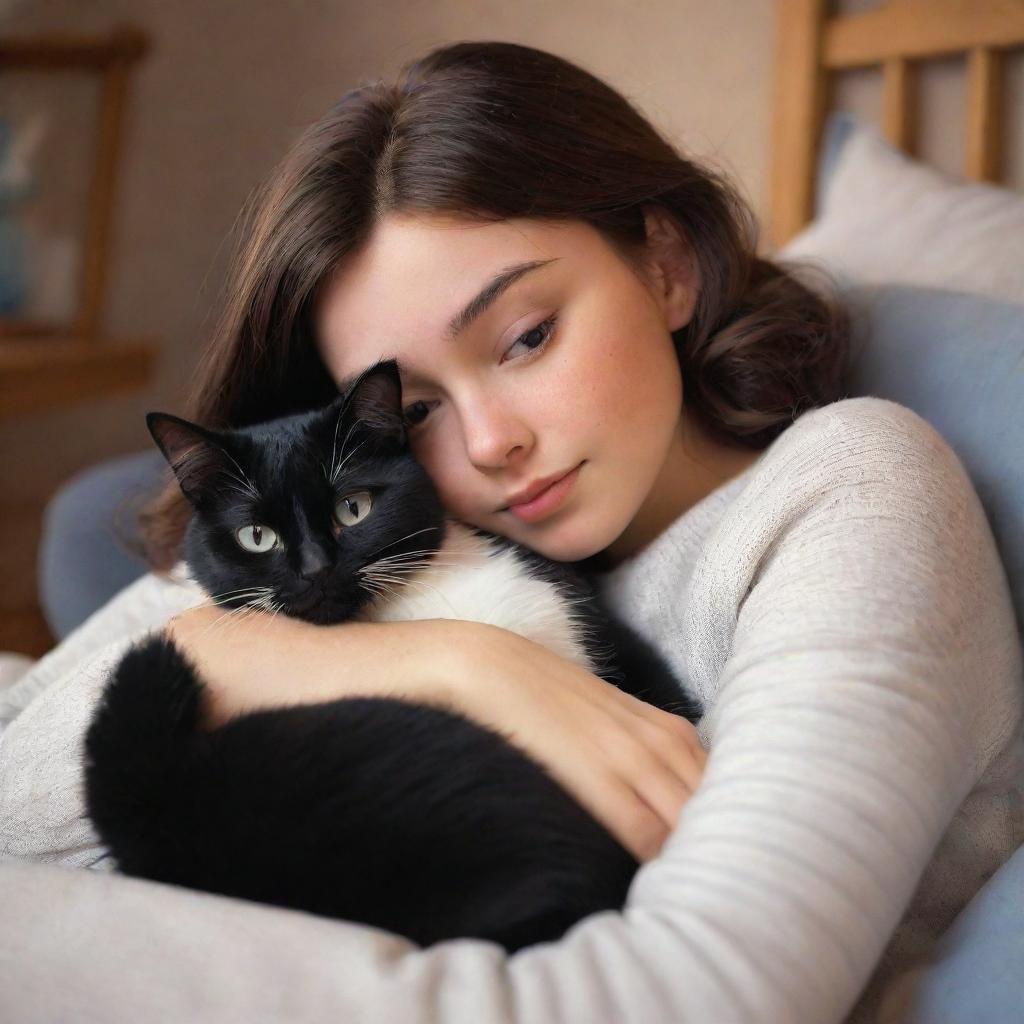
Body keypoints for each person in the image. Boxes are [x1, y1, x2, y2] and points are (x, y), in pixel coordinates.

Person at [1, 40, 1021, 1024]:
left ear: (664, 262)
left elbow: (677, 999)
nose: (491, 442)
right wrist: (450, 661)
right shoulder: (414, 540)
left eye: (526, 336)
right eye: (419, 408)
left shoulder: (853, 488)